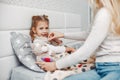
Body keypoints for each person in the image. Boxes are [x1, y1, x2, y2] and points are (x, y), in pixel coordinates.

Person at [36, 0, 120, 80]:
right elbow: (89, 34)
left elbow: (85, 52)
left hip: (114, 67)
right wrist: (63, 35)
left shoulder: (104, 13)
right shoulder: (106, 12)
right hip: (101, 67)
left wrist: (55, 65)